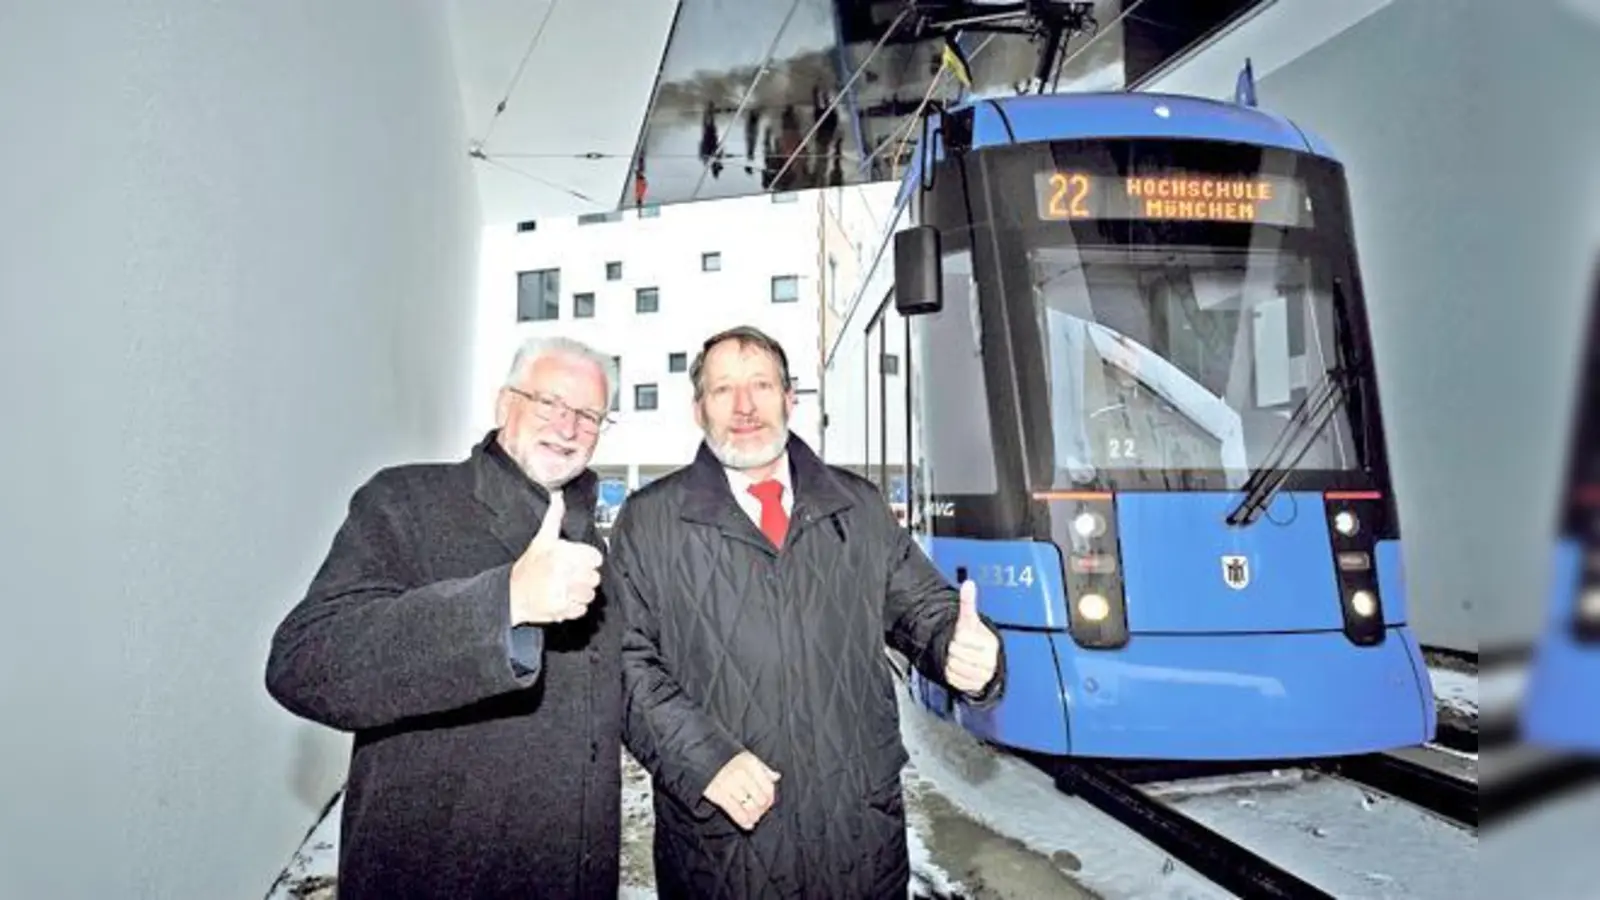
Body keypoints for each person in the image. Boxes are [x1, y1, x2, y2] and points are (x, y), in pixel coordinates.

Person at [608, 325, 1007, 899]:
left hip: (860, 845)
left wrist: (965, 652)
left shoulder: (858, 505)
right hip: (725, 853)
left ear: (790, 399)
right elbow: (625, 666)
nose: (744, 407)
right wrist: (706, 761)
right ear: (700, 410)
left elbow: (928, 611)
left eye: (761, 386)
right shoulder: (649, 522)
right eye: (723, 390)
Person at [264, 335, 622, 900]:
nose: (569, 426)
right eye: (550, 402)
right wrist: (505, 603)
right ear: (506, 404)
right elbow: (304, 662)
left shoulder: (594, 546)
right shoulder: (407, 500)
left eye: (588, 414)